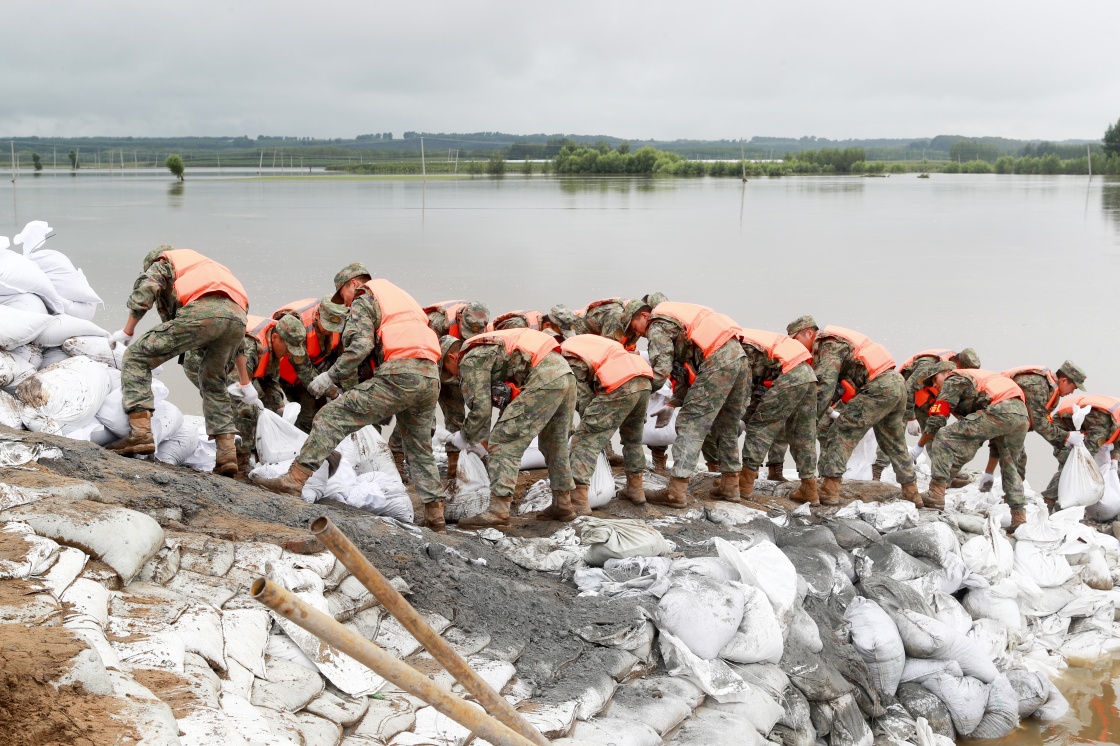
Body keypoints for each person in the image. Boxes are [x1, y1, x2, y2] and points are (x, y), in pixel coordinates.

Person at [253, 264, 450, 531]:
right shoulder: (402, 298)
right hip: (429, 375)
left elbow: (360, 346)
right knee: (418, 446)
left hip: (399, 373)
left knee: (331, 417)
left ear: (352, 285)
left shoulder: (364, 296)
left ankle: (295, 480)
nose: (345, 304)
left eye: (342, 296)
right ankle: (435, 515)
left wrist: (329, 377)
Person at [107, 246, 253, 478]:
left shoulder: (165, 261)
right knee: (213, 381)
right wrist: (245, 383)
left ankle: (140, 433)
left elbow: (147, 288)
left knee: (136, 357)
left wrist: (128, 330)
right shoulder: (212, 269)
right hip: (238, 320)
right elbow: (241, 344)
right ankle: (227, 455)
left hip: (203, 314)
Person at [448, 328, 577, 527]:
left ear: (452, 357)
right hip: (564, 373)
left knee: (503, 442)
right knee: (555, 443)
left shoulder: (470, 359)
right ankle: (563, 503)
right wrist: (486, 438)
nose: (454, 377)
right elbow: (509, 408)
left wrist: (464, 437)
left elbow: (481, 410)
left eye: (447, 370)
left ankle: (498, 511)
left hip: (545, 377)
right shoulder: (492, 350)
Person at [788, 316, 920, 507]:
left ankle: (829, 489)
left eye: (795, 341)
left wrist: (809, 418)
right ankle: (912, 492)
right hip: (896, 385)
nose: (796, 348)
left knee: (841, 432)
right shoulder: (840, 341)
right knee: (894, 441)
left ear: (808, 333)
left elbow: (824, 385)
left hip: (879, 387)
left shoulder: (827, 344)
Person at [634, 301, 750, 508]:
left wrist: (637, 395)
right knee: (727, 425)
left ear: (644, 316)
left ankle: (676, 491)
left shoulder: (657, 324)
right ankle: (730, 486)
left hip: (717, 361)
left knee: (690, 424)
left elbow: (661, 369)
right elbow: (684, 372)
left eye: (635, 328)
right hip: (739, 359)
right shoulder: (679, 321)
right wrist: (672, 404)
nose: (640, 336)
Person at [915, 364, 1030, 529]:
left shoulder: (953, 378)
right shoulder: (978, 381)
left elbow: (939, 417)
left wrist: (919, 446)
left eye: (935, 379)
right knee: (1010, 464)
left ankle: (935, 493)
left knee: (944, 435)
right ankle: (1019, 519)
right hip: (1020, 414)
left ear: (946, 372)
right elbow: (978, 441)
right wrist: (988, 473)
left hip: (1001, 410)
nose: (934, 385)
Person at [561, 334, 654, 512]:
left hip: (620, 382)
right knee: (632, 439)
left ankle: (579, 500)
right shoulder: (586, 342)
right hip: (642, 378)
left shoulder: (567, 355)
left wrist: (589, 422)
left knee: (585, 439)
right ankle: (636, 490)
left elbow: (583, 396)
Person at [733, 329, 820, 505]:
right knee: (803, 434)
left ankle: (744, 484)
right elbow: (760, 389)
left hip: (790, 375)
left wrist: (742, 418)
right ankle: (809, 488)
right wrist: (745, 418)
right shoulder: (754, 341)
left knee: (761, 427)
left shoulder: (741, 345)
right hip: (808, 376)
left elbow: (747, 384)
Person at [872, 347, 981, 482]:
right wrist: (911, 417)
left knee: (935, 433)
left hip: (925, 402)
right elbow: (907, 389)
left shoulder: (951, 373)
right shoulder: (928, 365)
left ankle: (945, 473)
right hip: (902, 399)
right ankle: (878, 470)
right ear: (958, 364)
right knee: (894, 432)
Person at [979, 361, 1084, 499]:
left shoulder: (1049, 389)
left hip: (1007, 420)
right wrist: (1066, 437)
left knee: (1018, 459)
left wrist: (989, 472)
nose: (1072, 392)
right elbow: (1039, 423)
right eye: (1073, 387)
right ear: (1064, 380)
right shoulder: (1037, 385)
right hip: (995, 415)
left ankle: (1006, 499)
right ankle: (1015, 509)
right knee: (1015, 462)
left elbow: (1039, 421)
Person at [270, 297, 348, 432]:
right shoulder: (297, 329)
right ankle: (297, 445)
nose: (330, 331)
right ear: (317, 316)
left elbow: (343, 355)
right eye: (327, 326)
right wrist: (334, 394)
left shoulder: (337, 314)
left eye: (334, 328)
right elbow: (305, 373)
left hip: (316, 365)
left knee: (324, 411)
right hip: (290, 375)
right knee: (308, 415)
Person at [424, 300, 490, 340]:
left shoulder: (482, 325)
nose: (466, 340)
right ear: (459, 317)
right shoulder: (440, 322)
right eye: (467, 334)